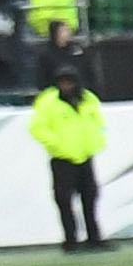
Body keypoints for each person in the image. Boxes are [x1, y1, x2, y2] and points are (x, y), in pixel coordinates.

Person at [32, 58, 108, 251]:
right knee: (64, 200)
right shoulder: (48, 102)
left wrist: (95, 141)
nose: (66, 86)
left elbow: (98, 121)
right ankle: (70, 240)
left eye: (69, 81)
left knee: (90, 197)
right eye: (62, 82)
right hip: (62, 158)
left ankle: (94, 237)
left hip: (85, 155)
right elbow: (37, 127)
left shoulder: (88, 98)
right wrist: (57, 146)